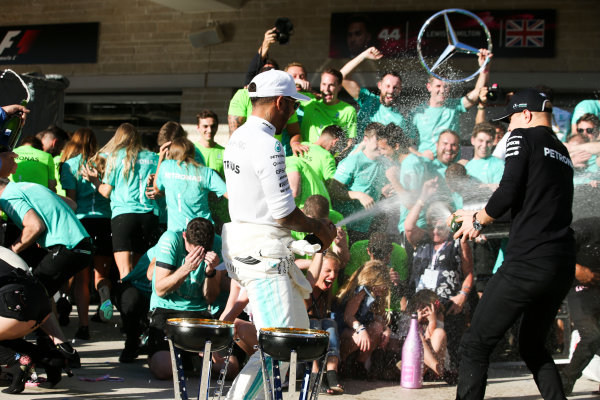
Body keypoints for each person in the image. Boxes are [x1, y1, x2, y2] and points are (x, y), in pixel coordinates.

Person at [451, 88, 575, 400]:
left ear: (527, 115)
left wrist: (477, 219)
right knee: (533, 345)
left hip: (527, 263)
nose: (508, 128)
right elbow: (528, 202)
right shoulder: (562, 151)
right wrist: (477, 212)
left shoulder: (524, 138)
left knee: (475, 345)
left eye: (510, 120)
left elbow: (508, 190)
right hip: (559, 265)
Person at [221, 69, 336, 400]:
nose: (294, 114)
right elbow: (283, 213)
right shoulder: (268, 144)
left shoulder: (237, 138)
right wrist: (318, 226)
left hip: (255, 250)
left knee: (295, 339)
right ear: (282, 103)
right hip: (262, 257)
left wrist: (308, 238)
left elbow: (263, 213)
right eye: (294, 107)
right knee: (281, 348)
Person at [146, 217, 222, 379]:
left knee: (226, 369)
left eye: (202, 251)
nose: (196, 255)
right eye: (192, 250)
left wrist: (210, 272)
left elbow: (211, 298)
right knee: (165, 369)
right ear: (185, 236)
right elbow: (160, 289)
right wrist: (186, 268)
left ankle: (189, 357)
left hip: (198, 313)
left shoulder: (216, 243)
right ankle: (159, 351)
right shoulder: (171, 239)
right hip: (166, 310)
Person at [60, 128, 115, 340]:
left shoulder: (69, 165)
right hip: (104, 220)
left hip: (81, 223)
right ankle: (104, 294)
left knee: (81, 278)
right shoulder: (105, 162)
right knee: (101, 274)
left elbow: (71, 201)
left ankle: (83, 326)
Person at [85, 123, 159, 280]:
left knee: (125, 272)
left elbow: (106, 191)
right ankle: (141, 303)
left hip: (124, 216)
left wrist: (94, 180)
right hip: (149, 215)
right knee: (142, 272)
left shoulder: (116, 157)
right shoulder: (153, 158)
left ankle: (127, 303)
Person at [409, 50, 492, 159]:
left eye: (446, 86)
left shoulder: (454, 105)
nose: (442, 90)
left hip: (451, 168)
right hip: (427, 167)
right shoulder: (417, 112)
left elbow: (477, 92)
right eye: (438, 86)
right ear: (429, 87)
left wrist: (484, 68)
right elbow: (406, 144)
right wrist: (420, 156)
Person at [559, 217, 600, 395]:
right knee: (591, 336)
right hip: (579, 287)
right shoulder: (586, 227)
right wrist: (576, 268)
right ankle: (564, 383)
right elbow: (554, 250)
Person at [328, 122, 388, 244]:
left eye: (383, 141)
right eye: (377, 141)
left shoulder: (384, 163)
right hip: (345, 227)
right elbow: (333, 190)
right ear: (366, 139)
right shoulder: (353, 161)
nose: (381, 145)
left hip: (366, 227)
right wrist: (359, 195)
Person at [153, 136, 227, 232]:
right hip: (202, 232)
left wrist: (161, 159)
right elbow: (230, 194)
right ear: (193, 153)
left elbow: (156, 188)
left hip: (176, 232)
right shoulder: (206, 172)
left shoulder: (166, 166)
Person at [335, 260, 392, 378]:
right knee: (357, 338)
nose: (384, 289)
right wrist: (361, 329)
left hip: (356, 327)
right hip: (342, 328)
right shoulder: (360, 291)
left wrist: (385, 329)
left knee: (377, 328)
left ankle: (359, 364)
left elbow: (375, 316)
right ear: (373, 282)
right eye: (382, 285)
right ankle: (341, 363)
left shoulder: (374, 294)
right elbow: (348, 316)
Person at [340, 47, 408, 142]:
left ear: (400, 90)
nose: (391, 91)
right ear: (379, 85)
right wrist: (364, 56)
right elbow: (342, 76)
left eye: (395, 87)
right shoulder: (368, 99)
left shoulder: (399, 120)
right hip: (355, 154)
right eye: (387, 86)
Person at [305, 252, 345, 395]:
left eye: (336, 271)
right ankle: (314, 374)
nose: (333, 275)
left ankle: (331, 372)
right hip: (303, 348)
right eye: (328, 271)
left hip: (320, 341)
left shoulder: (325, 291)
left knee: (330, 323)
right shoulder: (305, 288)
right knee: (314, 323)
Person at [299, 68, 357, 150]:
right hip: (304, 157)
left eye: (331, 85)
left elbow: (350, 142)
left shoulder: (348, 110)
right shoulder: (310, 102)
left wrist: (336, 159)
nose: (326, 89)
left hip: (329, 160)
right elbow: (283, 92)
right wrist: (297, 81)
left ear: (339, 87)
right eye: (324, 84)